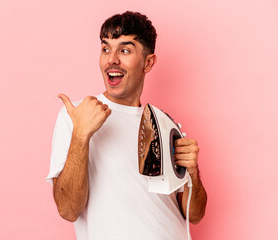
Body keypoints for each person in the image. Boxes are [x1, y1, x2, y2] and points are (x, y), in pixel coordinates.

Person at [46, 11, 207, 239]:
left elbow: (195, 215)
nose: (112, 59)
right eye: (105, 49)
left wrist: (192, 172)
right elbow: (68, 210)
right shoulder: (77, 115)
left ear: (148, 62)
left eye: (124, 50)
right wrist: (81, 136)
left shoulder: (164, 123)